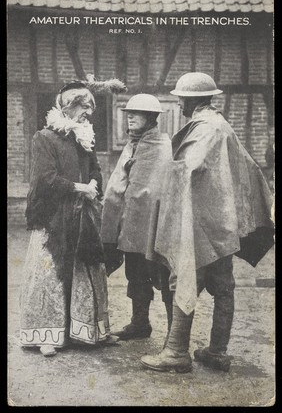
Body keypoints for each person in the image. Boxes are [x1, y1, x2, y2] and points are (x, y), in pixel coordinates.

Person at [140, 72, 274, 372]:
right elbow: (248, 167)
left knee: (183, 279)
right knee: (223, 284)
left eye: (181, 99)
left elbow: (190, 166)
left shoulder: (206, 128)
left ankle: (176, 352)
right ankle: (217, 350)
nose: (179, 104)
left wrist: (164, 173)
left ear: (192, 99)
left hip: (200, 223)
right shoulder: (222, 125)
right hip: (222, 223)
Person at [20, 77, 126, 356]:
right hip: (53, 217)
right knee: (53, 272)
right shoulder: (44, 138)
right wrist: (79, 188)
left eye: (91, 108)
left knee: (86, 270)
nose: (89, 113)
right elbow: (45, 179)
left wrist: (93, 184)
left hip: (82, 214)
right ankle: (49, 335)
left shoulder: (84, 138)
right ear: (67, 107)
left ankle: (89, 331)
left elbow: (95, 171)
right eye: (85, 107)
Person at [101, 94, 173, 341]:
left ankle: (175, 335)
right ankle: (140, 323)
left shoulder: (161, 146)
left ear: (151, 118)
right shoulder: (133, 144)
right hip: (132, 225)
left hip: (154, 225)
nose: (130, 117)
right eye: (128, 112)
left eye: (137, 113)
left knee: (163, 275)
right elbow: (119, 185)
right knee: (135, 274)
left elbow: (157, 188)